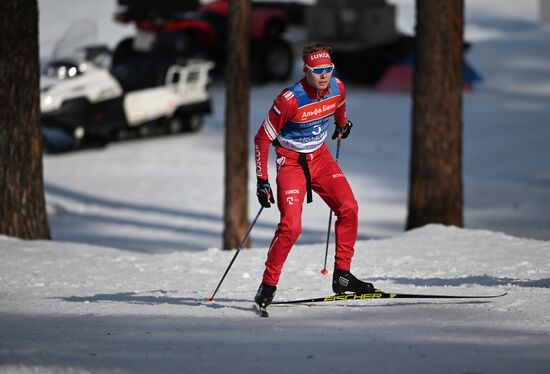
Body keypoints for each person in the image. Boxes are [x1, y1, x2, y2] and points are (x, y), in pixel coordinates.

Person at [253, 42, 375, 308]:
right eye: (317, 70)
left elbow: (339, 105)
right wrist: (262, 181)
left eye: (328, 69)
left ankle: (342, 276)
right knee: (291, 227)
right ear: (305, 70)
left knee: (349, 207)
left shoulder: (337, 86)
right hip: (291, 164)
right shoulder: (289, 99)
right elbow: (262, 139)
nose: (323, 75)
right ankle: (268, 285)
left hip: (320, 158)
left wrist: (342, 125)